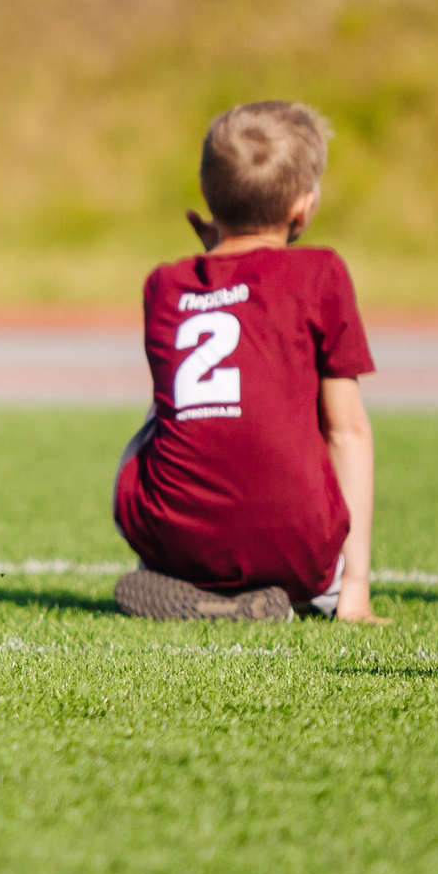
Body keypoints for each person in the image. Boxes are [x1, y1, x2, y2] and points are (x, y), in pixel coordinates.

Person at [112, 101, 385, 625]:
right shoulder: (321, 272)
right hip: (298, 552)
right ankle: (327, 593)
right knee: (298, 410)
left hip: (180, 540)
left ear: (210, 199)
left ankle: (174, 573)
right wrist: (356, 587)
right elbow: (347, 432)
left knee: (166, 416)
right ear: (302, 208)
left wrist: (217, 250)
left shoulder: (164, 284)